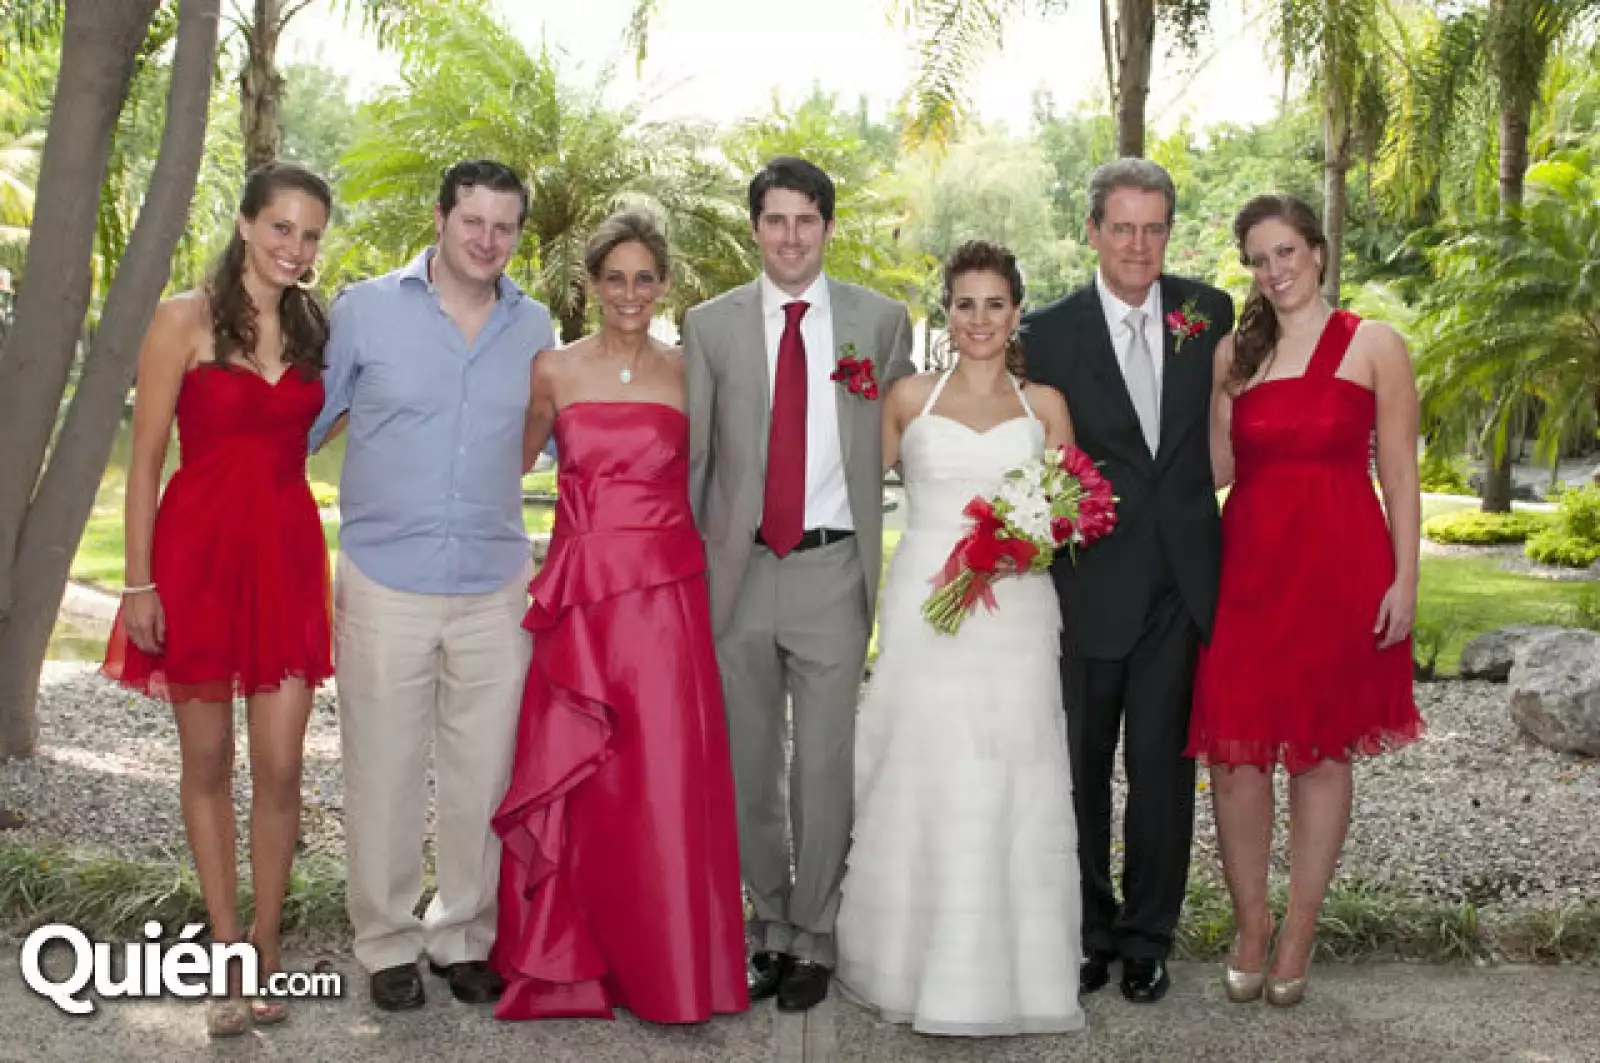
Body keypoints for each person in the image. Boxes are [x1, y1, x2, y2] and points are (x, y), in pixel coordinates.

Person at [488, 210, 749, 1023]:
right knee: (584, 781)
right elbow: (511, 467)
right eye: (614, 278)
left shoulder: (689, 372)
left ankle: (669, 966)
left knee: (661, 782)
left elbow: (724, 475)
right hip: (582, 600)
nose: (629, 293)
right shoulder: (553, 369)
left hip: (668, 600)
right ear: (590, 285)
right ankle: (570, 961)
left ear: (663, 285)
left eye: (644, 278)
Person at [308, 160, 556, 1012]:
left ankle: (462, 935)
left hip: (495, 580)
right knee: (381, 766)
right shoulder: (364, 311)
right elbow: (305, 419)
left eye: (504, 226)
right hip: (385, 577)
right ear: (441, 219)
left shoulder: (536, 328)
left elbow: (569, 437)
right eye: (472, 222)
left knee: (482, 773)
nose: (488, 240)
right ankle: (384, 940)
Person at [101, 161, 334, 1037]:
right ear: (244, 224)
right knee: (208, 766)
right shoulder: (181, 320)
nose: (294, 247)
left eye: (310, 234)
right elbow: (147, 458)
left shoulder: (319, 329)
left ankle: (270, 954)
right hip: (195, 555)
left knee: (279, 767)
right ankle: (230, 962)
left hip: (284, 554)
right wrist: (137, 581)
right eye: (280, 226)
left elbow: (332, 417)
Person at [835, 241, 1085, 1036]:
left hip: (1015, 611)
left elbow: (1072, 510)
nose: (980, 320)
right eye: (965, 304)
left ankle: (1011, 973)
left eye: (995, 304)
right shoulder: (906, 398)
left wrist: (1018, 546)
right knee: (922, 770)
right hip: (923, 607)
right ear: (948, 311)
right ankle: (906, 961)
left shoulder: (1044, 404)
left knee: (1011, 777)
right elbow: (850, 489)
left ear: (1017, 311)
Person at [684, 156, 915, 1012]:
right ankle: (770, 923)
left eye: (805, 220)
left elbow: (913, 431)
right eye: (775, 220)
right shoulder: (710, 326)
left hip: (830, 564)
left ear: (826, 226)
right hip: (739, 572)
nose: (790, 236)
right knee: (749, 765)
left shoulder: (879, 322)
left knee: (823, 764)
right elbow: (699, 461)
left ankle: (816, 931)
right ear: (756, 228)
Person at [1187, 194, 1423, 1007]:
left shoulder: (1376, 345)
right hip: (1247, 571)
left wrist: (1406, 576)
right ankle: (1251, 921)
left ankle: (1300, 928)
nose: (1273, 270)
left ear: (1318, 252)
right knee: (1235, 754)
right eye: (1258, 257)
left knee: (1321, 752)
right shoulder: (1232, 356)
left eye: (1286, 251)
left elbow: (1399, 470)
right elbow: (1214, 468)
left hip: (1340, 568)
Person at [1021, 157, 1235, 1004]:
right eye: (1122, 227)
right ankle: (1086, 928)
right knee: (1076, 765)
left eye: (1153, 228)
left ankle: (1148, 936)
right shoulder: (1049, 329)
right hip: (1086, 582)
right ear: (1094, 232)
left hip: (1183, 581)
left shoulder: (1205, 311)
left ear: (1168, 232)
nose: (1138, 245)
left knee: (1161, 770)